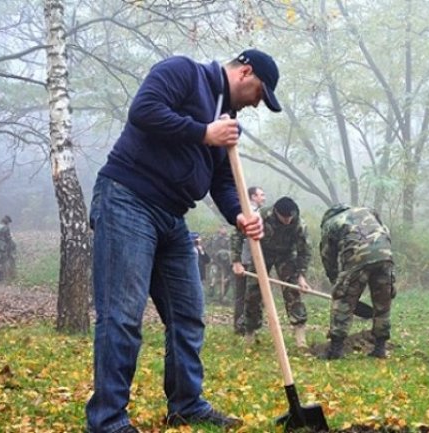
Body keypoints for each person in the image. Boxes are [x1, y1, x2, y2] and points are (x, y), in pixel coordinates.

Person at [85, 48, 281, 433]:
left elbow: (223, 182)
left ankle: (186, 404)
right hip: (128, 197)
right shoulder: (184, 73)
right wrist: (202, 133)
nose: (259, 103)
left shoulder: (227, 118)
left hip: (172, 217)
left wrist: (239, 214)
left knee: (188, 313)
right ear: (246, 72)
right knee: (122, 315)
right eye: (261, 92)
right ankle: (107, 420)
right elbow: (144, 110)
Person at [231, 196, 310, 348]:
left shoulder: (299, 224)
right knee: (253, 293)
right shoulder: (260, 216)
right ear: (275, 212)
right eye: (283, 217)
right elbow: (237, 234)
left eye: (290, 217)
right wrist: (236, 261)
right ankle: (250, 334)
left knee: (292, 291)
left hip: (286, 256)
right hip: (262, 253)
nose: (287, 220)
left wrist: (301, 276)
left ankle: (300, 338)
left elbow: (304, 251)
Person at [319, 205, 395, 360]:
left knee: (344, 301)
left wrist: (336, 282)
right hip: (385, 254)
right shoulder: (366, 210)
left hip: (358, 258)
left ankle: (335, 350)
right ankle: (380, 348)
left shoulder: (330, 223)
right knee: (383, 302)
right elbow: (383, 230)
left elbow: (327, 256)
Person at [230, 186, 266, 334]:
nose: (264, 197)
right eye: (261, 195)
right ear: (253, 197)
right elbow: (236, 237)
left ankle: (251, 325)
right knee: (242, 294)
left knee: (255, 294)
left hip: (257, 260)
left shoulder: (261, 213)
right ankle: (240, 327)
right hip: (245, 260)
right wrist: (236, 261)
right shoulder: (246, 212)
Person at [0, 215, 16, 281]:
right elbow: (8, 239)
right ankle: (2, 278)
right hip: (2, 247)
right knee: (2, 262)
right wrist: (12, 247)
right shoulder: (5, 228)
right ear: (7, 222)